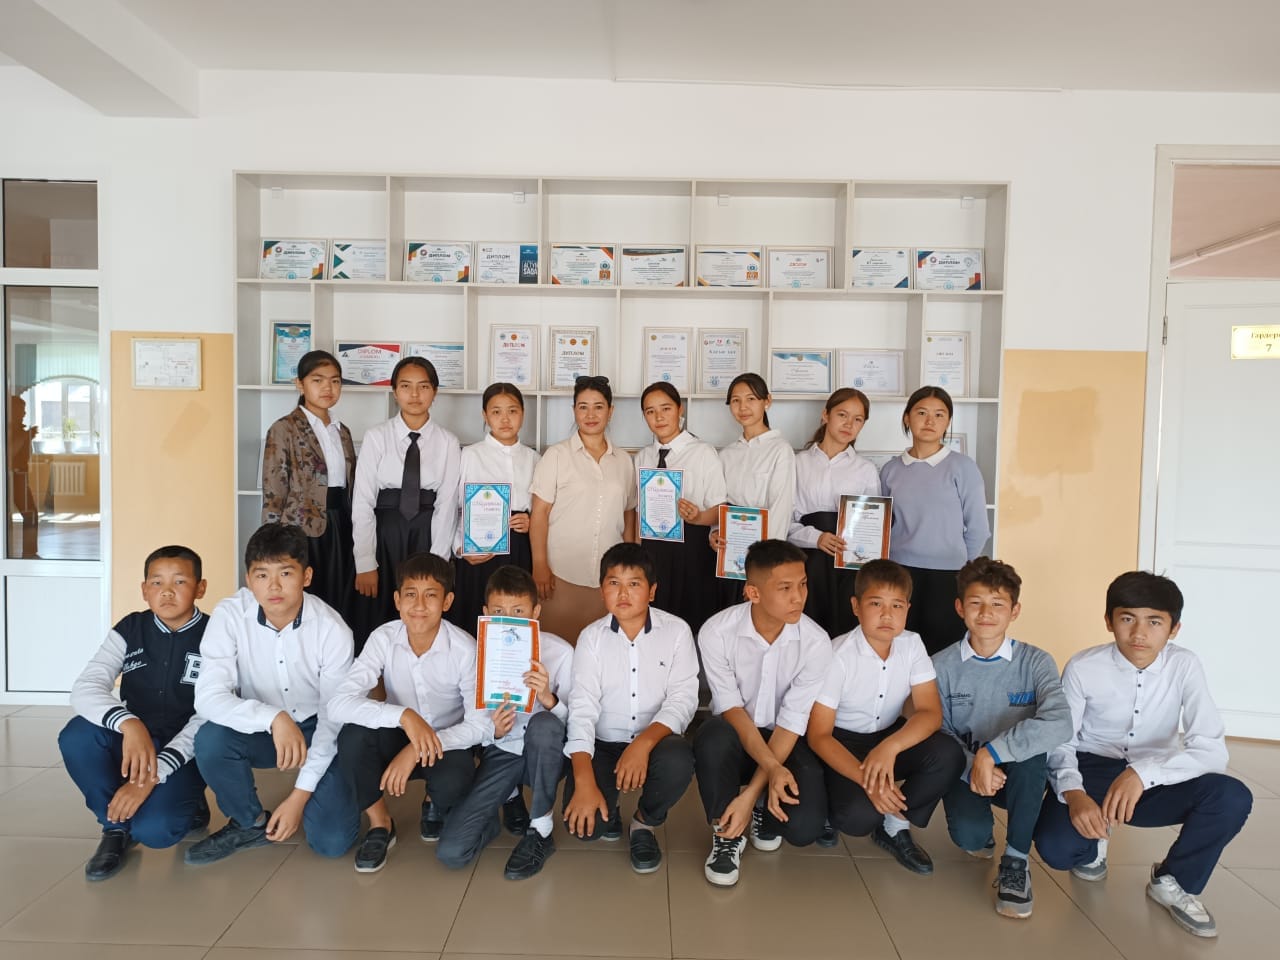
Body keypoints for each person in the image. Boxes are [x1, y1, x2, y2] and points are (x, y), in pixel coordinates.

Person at [1033, 571, 1253, 939]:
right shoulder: (1083, 666)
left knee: (1231, 796)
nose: (1139, 633)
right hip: (1092, 768)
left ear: (1174, 628)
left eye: (1154, 621)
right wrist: (1073, 794)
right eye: (1127, 618)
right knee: (1057, 850)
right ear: (1109, 621)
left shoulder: (1185, 665)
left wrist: (1142, 773)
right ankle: (1094, 846)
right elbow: (1061, 741)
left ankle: (1172, 880)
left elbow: (1211, 750)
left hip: (1156, 775)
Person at [186, 522, 356, 864]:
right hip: (260, 728)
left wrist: (297, 798)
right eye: (262, 575)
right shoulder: (230, 615)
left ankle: (320, 797)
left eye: (286, 573)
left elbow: (333, 719)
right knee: (211, 740)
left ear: (307, 576)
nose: (273, 586)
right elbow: (207, 698)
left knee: (332, 842)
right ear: (249, 580)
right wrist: (273, 718)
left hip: (317, 729)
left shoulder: (332, 629)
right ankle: (248, 822)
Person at [328, 552, 491, 872]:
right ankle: (380, 824)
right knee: (352, 738)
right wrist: (404, 716)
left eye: (431, 595)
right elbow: (338, 704)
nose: (419, 605)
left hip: (446, 740)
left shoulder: (465, 649)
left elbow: (481, 726)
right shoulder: (383, 638)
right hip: (396, 732)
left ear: (447, 602)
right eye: (410, 594)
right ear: (397, 600)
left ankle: (433, 801)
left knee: (455, 781)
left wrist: (416, 749)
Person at [932, 557, 1072, 918]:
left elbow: (1059, 722)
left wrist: (992, 753)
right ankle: (984, 833)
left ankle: (1016, 861)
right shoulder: (940, 666)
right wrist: (974, 764)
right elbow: (938, 730)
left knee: (1032, 754)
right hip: (967, 769)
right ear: (960, 607)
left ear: (1015, 611)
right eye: (976, 603)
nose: (986, 613)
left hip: (1021, 774)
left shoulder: (1036, 662)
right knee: (971, 839)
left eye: (997, 604)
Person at [59, 545, 210, 880]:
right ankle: (114, 827)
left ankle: (190, 799)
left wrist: (152, 776)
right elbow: (86, 687)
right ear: (144, 590)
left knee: (157, 831)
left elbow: (213, 713)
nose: (167, 591)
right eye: (156, 582)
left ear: (200, 588)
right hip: (136, 740)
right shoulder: (131, 628)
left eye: (180, 581)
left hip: (187, 748)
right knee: (78, 735)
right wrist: (128, 723)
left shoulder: (217, 635)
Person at [806, 558, 964, 875]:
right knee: (858, 817)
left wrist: (890, 747)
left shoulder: (912, 644)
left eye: (897, 606)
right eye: (876, 603)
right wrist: (868, 781)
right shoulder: (837, 655)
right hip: (841, 743)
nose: (887, 615)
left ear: (907, 609)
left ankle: (895, 824)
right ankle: (831, 804)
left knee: (948, 754)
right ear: (856, 606)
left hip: (887, 737)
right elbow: (818, 735)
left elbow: (930, 713)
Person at [695, 539, 831, 887]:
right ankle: (726, 833)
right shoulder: (716, 632)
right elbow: (731, 709)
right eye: (785, 588)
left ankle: (755, 808)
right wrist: (771, 770)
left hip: (785, 738)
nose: (798, 597)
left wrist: (754, 789)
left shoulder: (816, 642)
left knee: (805, 828)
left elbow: (792, 722)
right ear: (753, 593)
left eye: (802, 584)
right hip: (735, 731)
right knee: (712, 737)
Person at [562, 543, 698, 874]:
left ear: (652, 591)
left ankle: (644, 822)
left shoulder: (676, 631)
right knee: (587, 828)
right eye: (614, 583)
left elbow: (683, 698)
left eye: (634, 584)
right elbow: (582, 708)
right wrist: (583, 780)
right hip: (604, 743)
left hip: (655, 741)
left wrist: (643, 744)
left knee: (679, 759)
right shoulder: (591, 638)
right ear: (602, 590)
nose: (623, 594)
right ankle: (609, 807)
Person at [436, 565, 573, 880]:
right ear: (486, 612)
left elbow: (577, 723)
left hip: (548, 753)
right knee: (452, 852)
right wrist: (493, 730)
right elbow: (472, 719)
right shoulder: (476, 654)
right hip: (502, 750)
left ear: (536, 612)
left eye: (519, 611)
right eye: (499, 611)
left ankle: (541, 830)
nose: (509, 620)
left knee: (544, 725)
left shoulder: (561, 653)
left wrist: (548, 698)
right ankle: (504, 803)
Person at [351, 355, 462, 643]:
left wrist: (439, 561)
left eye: (423, 386)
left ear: (434, 392)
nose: (414, 394)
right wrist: (365, 561)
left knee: (423, 611)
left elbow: (447, 504)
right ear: (394, 391)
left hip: (427, 534)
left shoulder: (448, 442)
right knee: (380, 613)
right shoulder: (376, 437)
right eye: (405, 386)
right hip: (384, 536)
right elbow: (362, 501)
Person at [878, 386, 989, 655]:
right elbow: (882, 525)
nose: (930, 421)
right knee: (901, 650)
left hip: (949, 576)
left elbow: (978, 528)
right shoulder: (891, 470)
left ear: (948, 422)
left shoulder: (963, 467)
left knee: (943, 652)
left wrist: (959, 566)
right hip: (901, 573)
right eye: (922, 413)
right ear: (907, 417)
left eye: (939, 415)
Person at [530, 375, 636, 642]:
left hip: (610, 576)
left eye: (598, 407)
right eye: (583, 407)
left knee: (604, 650)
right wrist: (540, 564)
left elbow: (629, 513)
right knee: (558, 649)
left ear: (611, 411)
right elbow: (539, 513)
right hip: (560, 574)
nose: (591, 415)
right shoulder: (556, 455)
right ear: (574, 410)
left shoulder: (624, 461)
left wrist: (631, 564)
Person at [261, 350, 357, 629]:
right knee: (305, 597)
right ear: (300, 384)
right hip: (300, 529)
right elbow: (273, 492)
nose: (328, 388)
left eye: (335, 381)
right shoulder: (284, 428)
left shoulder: (342, 431)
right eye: (318, 380)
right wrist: (271, 544)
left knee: (339, 599)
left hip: (341, 522)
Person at [634, 381, 727, 636]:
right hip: (653, 550)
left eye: (665, 408)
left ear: (680, 409)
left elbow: (720, 508)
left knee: (691, 622)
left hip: (692, 550)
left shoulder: (702, 452)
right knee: (655, 622)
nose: (659, 417)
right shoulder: (643, 457)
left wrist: (698, 517)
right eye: (650, 411)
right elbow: (637, 512)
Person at [787, 387, 879, 637]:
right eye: (842, 415)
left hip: (850, 564)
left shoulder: (866, 469)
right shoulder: (797, 463)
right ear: (825, 415)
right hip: (807, 559)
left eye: (858, 419)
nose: (849, 424)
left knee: (846, 630)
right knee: (806, 631)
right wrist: (816, 538)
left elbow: (873, 526)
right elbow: (785, 520)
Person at [449, 383, 540, 634]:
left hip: (520, 547)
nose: (505, 419)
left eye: (512, 411)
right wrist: (460, 548)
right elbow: (452, 507)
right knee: (475, 617)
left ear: (523, 413)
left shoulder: (535, 459)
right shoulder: (469, 455)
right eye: (496, 412)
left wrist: (530, 521)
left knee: (516, 617)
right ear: (485, 415)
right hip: (478, 551)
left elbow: (542, 510)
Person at [714, 373, 796, 609]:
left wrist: (763, 569)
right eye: (736, 401)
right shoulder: (726, 454)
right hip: (729, 555)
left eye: (751, 399)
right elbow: (719, 502)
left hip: (762, 560)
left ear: (766, 401)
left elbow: (780, 510)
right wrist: (714, 533)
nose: (743, 407)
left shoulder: (780, 450)